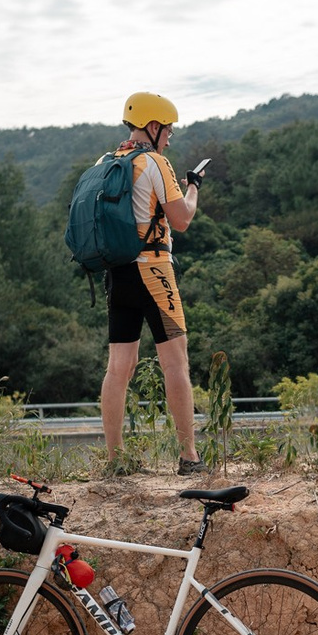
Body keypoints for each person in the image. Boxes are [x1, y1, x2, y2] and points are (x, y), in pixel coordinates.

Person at [102, 91, 205, 476]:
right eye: (169, 129)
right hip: (154, 271)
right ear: (154, 126)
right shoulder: (155, 163)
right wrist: (192, 187)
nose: (171, 136)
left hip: (118, 273)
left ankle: (115, 461)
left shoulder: (110, 160)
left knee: (118, 368)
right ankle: (189, 457)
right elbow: (181, 219)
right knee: (175, 363)